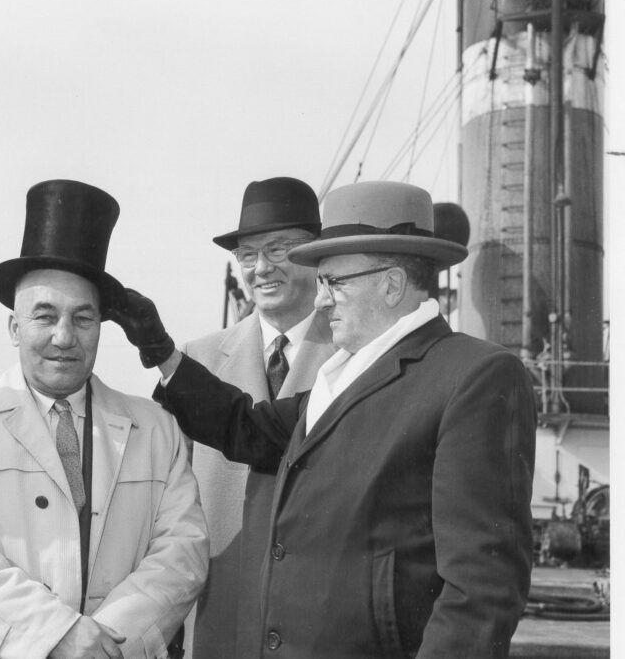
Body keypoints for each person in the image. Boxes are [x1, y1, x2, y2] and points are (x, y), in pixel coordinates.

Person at [111, 181, 536, 659]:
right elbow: (247, 428)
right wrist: (160, 350)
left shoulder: (473, 376)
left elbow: (482, 589)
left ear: (392, 283)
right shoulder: (348, 373)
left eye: (335, 282)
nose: (321, 300)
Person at [0, 179, 208, 659]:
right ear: (14, 327)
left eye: (83, 318)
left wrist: (105, 646)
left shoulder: (155, 427)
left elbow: (183, 554)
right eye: (44, 316)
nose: (64, 336)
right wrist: (57, 635)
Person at [179, 176, 334, 659]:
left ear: (317, 254)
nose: (261, 268)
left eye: (279, 248)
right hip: (216, 625)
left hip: (321, 630)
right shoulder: (194, 363)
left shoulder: (357, 356)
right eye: (247, 254)